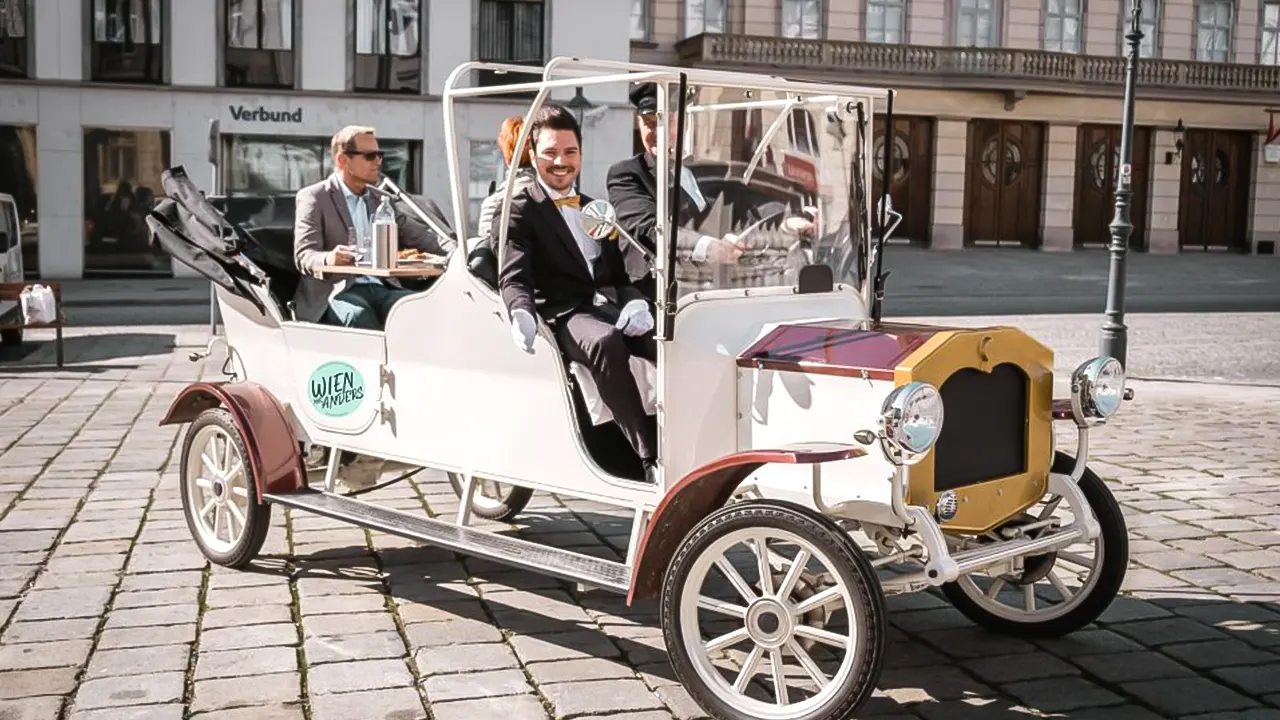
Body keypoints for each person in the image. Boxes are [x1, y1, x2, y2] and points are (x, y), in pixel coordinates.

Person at [499, 105, 659, 484]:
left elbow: (619, 272)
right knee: (605, 341)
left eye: (570, 152)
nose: (560, 162)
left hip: (606, 304)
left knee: (664, 338)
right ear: (534, 155)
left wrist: (635, 300)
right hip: (565, 312)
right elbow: (514, 275)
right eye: (551, 152)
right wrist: (519, 312)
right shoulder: (520, 209)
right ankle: (648, 456)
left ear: (581, 155)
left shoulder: (594, 207)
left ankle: (686, 437)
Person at [606, 82, 816, 299]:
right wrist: (709, 247)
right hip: (657, 295)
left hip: (715, 290)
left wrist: (789, 220)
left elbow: (751, 204)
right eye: (649, 124)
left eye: (665, 122)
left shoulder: (705, 171)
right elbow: (650, 228)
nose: (657, 133)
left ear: (683, 122)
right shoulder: (627, 174)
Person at [292, 125, 455, 329]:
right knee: (359, 316)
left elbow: (423, 238)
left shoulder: (382, 200)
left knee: (419, 310)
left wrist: (461, 253)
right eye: (370, 156)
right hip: (336, 291)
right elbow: (304, 255)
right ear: (343, 160)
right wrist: (328, 258)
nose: (378, 161)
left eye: (380, 154)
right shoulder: (315, 197)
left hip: (382, 286)